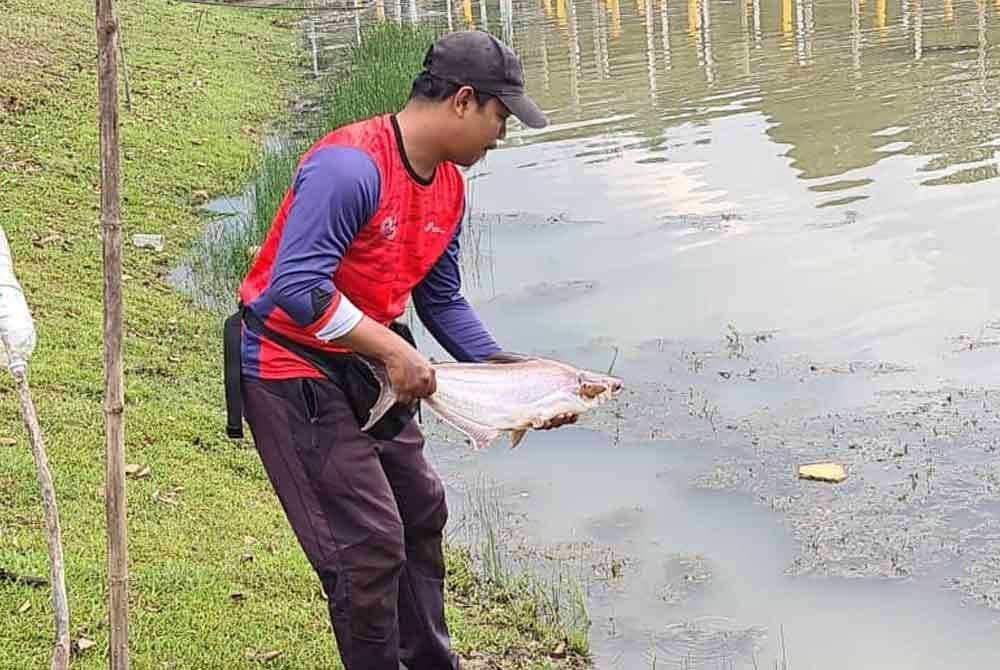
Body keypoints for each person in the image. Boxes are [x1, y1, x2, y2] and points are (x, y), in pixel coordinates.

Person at [224, 30, 577, 670]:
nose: (501, 136)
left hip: (371, 368)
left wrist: (513, 375)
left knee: (420, 513)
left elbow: (441, 302)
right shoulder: (350, 167)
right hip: (290, 368)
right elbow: (296, 289)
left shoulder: (448, 187)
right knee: (368, 547)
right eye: (501, 117)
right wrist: (389, 347)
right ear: (464, 101)